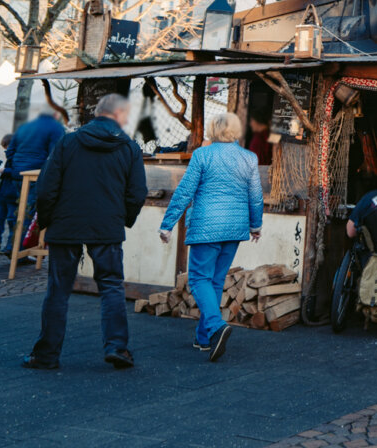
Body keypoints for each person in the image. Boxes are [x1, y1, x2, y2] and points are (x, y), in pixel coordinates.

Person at [23, 94, 147, 371]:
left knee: (58, 290)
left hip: (65, 225)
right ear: (118, 114)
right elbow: (137, 193)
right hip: (107, 226)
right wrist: (123, 219)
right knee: (112, 286)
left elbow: (46, 186)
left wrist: (45, 220)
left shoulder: (68, 142)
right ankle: (117, 347)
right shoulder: (129, 147)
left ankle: (46, 355)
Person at [158, 113, 262, 363]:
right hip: (235, 229)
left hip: (207, 226)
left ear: (213, 130)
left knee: (198, 279)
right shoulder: (249, 158)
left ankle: (216, 326)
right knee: (215, 281)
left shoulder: (202, 155)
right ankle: (204, 338)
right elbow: (255, 195)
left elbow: (185, 191)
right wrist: (256, 225)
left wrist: (167, 223)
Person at [5, 107, 67, 233]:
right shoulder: (55, 127)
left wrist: (17, 165)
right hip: (36, 173)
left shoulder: (24, 126)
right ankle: (19, 247)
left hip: (17, 173)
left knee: (19, 208)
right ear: (56, 114)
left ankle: (12, 244)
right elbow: (54, 154)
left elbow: (10, 151)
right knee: (29, 210)